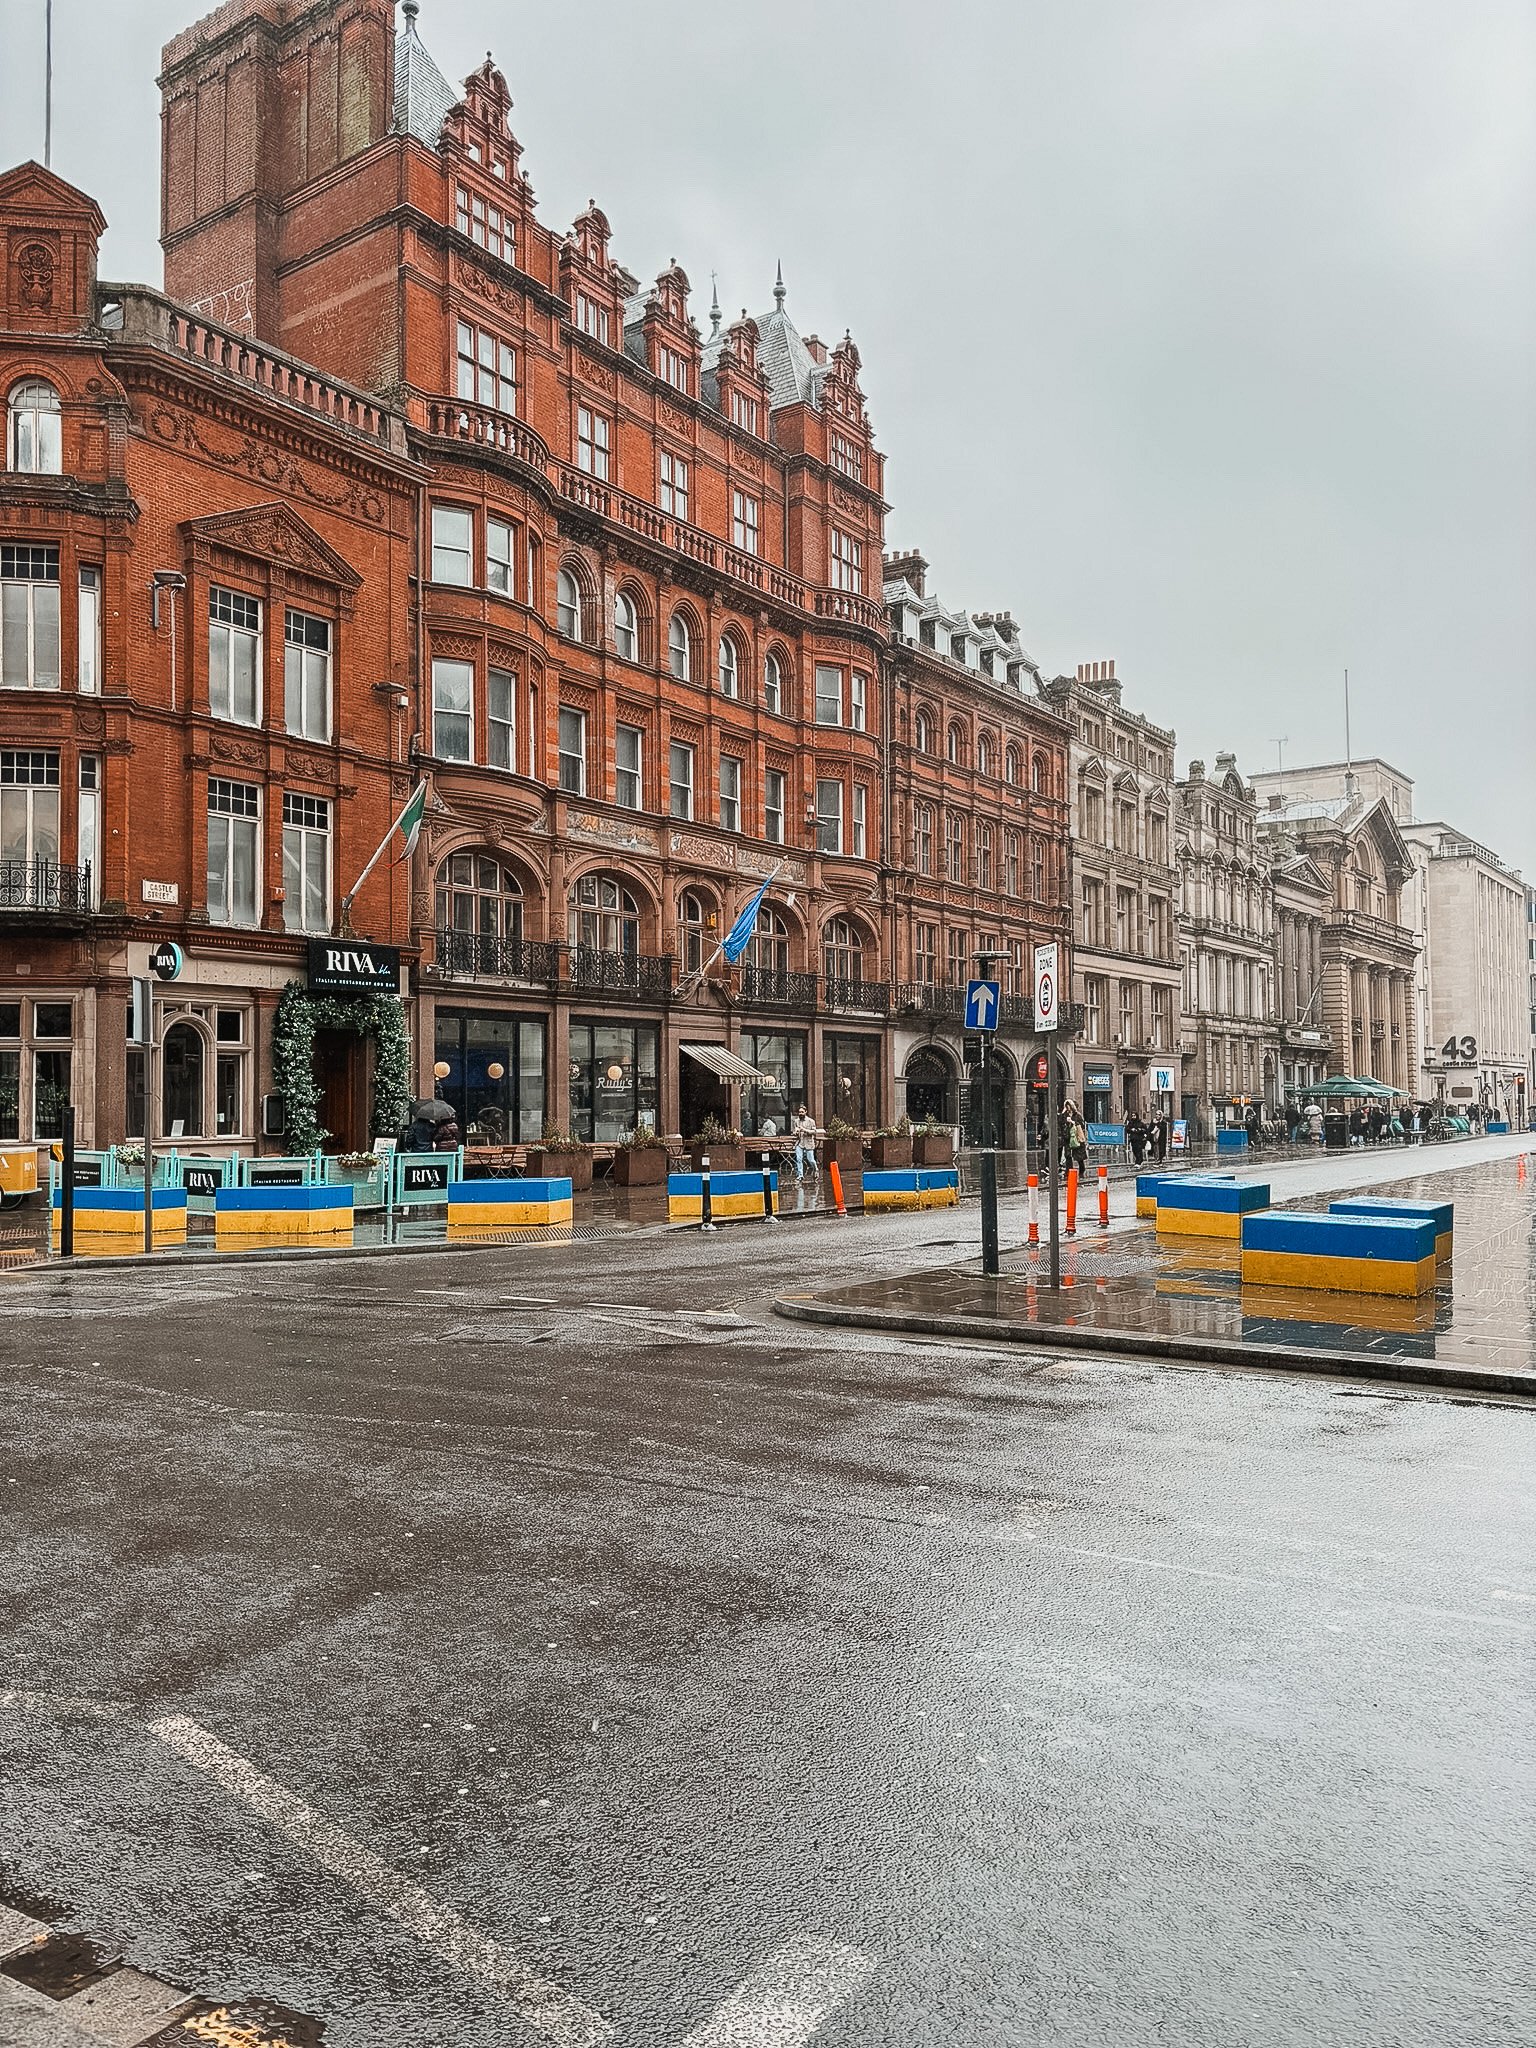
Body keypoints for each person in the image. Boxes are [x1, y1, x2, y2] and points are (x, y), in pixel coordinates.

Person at [791, 1104, 818, 1181]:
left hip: (808, 1143)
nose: (800, 1113)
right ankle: (800, 1175)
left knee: (811, 1160)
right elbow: (795, 1131)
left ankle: (815, 1169)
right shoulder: (796, 1121)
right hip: (800, 1142)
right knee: (799, 1159)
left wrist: (804, 1130)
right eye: (799, 1112)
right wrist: (795, 1132)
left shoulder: (811, 1121)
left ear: (806, 1112)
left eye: (802, 1112)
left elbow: (814, 1132)